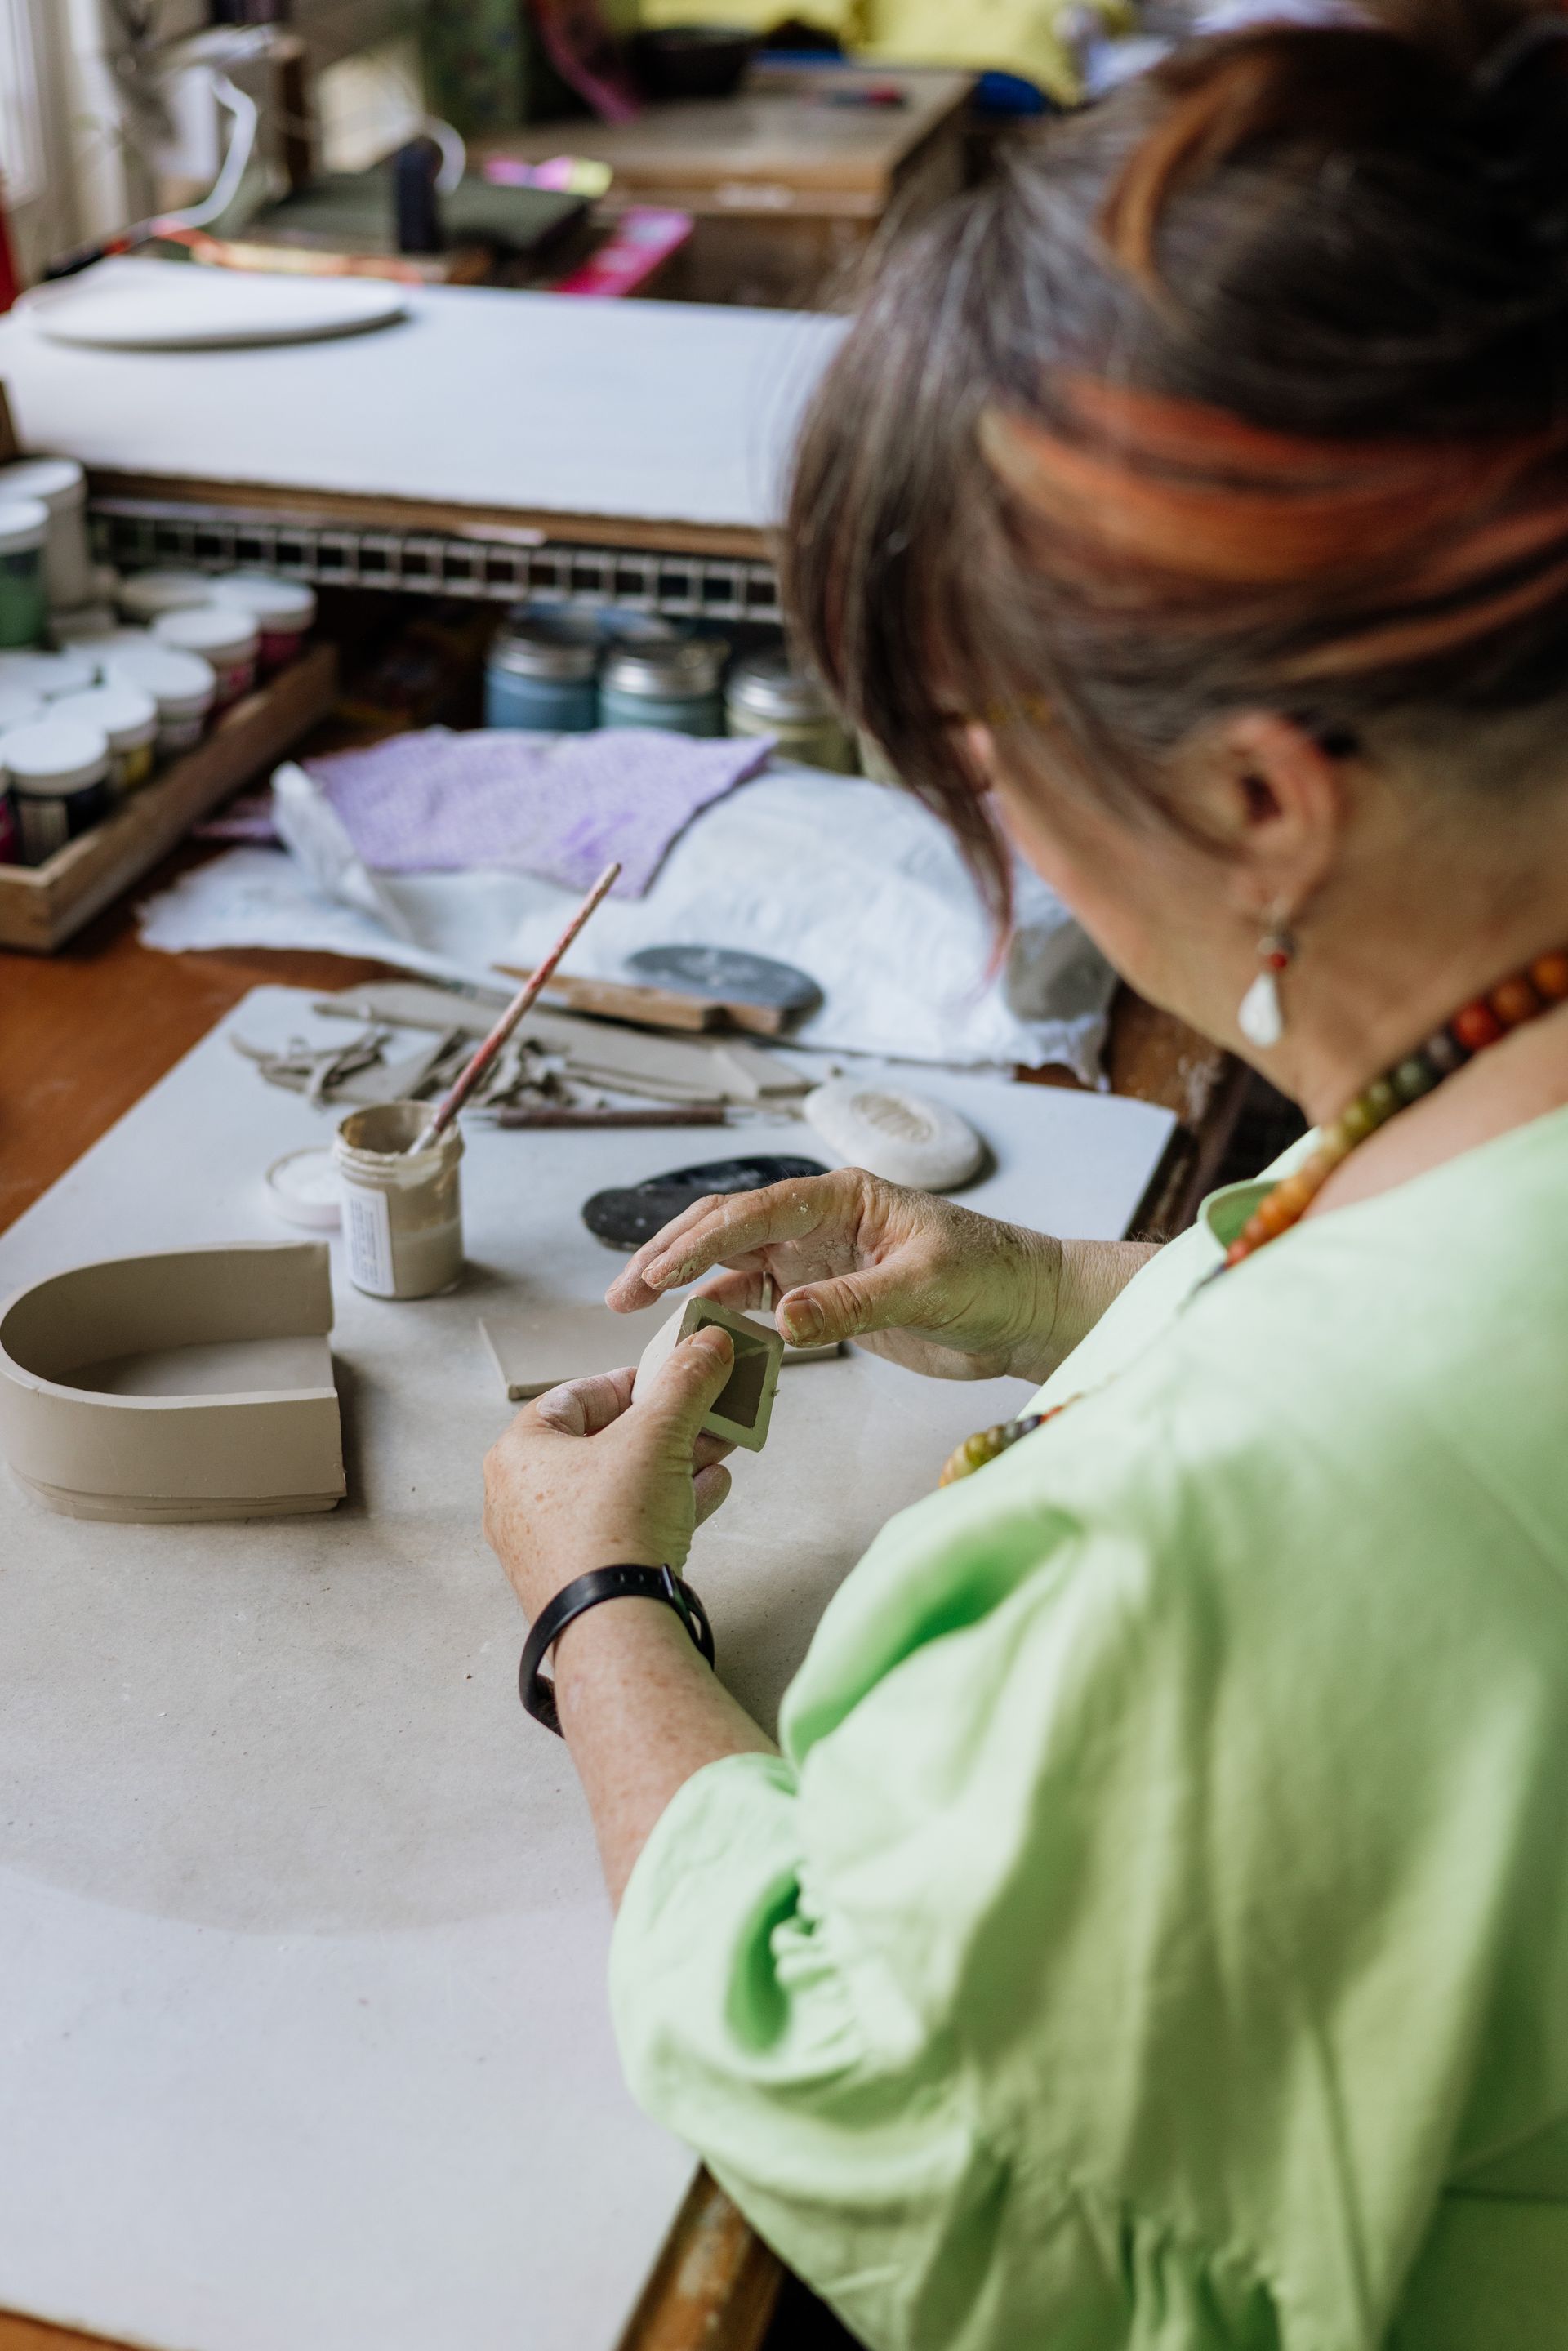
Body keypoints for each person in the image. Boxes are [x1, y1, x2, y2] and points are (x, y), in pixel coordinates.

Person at [481, 7, 1568, 2343]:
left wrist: (603, 1621)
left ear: (1267, 802)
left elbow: (884, 2095)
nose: (989, 841)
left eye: (982, 765)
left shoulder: (1261, 1526)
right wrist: (1067, 1288)